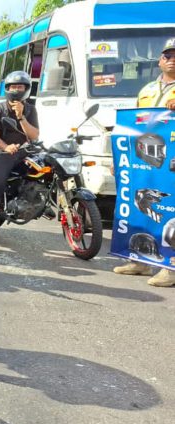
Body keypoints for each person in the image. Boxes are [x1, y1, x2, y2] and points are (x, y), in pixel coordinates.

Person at [113, 38, 175, 287]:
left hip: (172, 161)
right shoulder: (147, 90)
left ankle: (170, 267)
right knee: (142, 205)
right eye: (168, 55)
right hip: (146, 161)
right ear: (160, 61)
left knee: (171, 211)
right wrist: (121, 158)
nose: (172, 59)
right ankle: (140, 260)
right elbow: (134, 127)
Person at [0, 71, 40, 244]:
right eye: (12, 87)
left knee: (47, 168)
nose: (16, 90)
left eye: (19, 86)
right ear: (7, 89)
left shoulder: (30, 110)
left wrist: (21, 116)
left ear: (26, 89)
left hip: (22, 152)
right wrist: (6, 147)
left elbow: (34, 135)